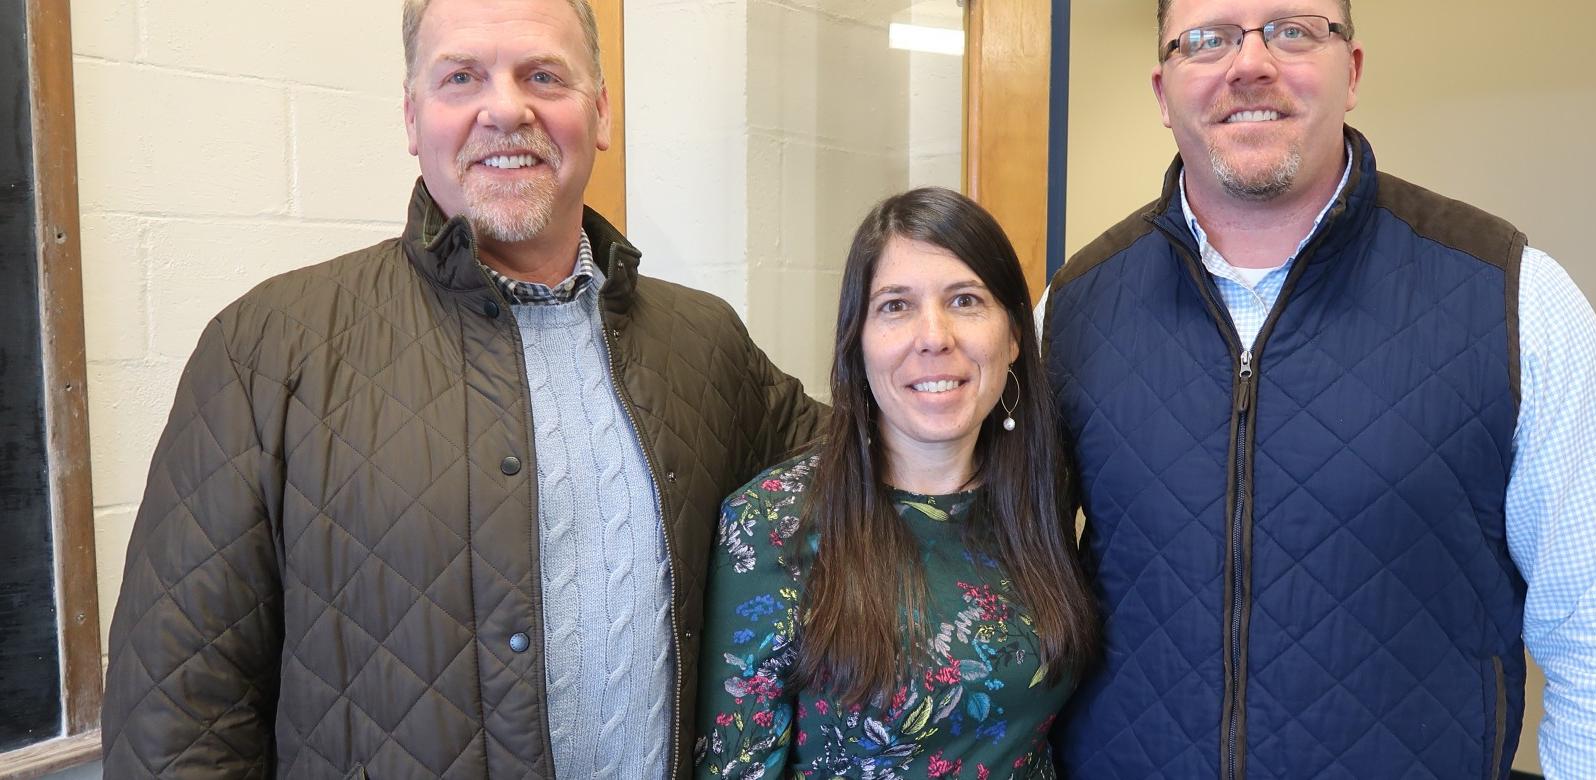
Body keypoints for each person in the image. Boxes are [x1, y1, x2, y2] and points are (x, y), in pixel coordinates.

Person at [99, 0, 821, 777]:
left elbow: (876, 453)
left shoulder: (703, 343)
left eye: (543, 75)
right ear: (414, 119)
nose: (506, 108)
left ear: (601, 114)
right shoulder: (267, 351)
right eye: (461, 77)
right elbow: (178, 723)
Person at [1042, 1, 1596, 777]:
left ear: (1350, 72)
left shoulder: (1512, 299)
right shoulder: (1070, 310)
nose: (1250, 64)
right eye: (1208, 39)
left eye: (1293, 29)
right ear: (1162, 90)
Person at [692, 188, 1097, 778]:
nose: (933, 337)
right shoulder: (772, 524)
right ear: (857, 345)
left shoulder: (1041, 499)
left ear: (1012, 336)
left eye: (964, 300)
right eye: (895, 306)